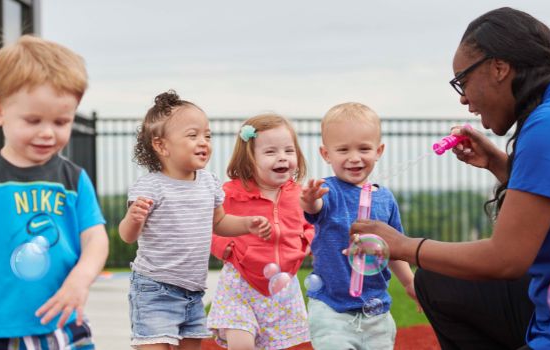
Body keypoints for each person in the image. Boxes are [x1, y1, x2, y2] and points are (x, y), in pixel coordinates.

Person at [350, 7, 550, 349]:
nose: (464, 98)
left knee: (436, 273)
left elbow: (506, 258)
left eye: (462, 81)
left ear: (498, 68)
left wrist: (403, 246)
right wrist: (501, 165)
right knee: (438, 280)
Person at [0, 35, 109, 349]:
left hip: (62, 321)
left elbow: (96, 239)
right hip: (0, 327)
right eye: (33, 120)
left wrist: (81, 278)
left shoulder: (73, 178)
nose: (47, 132)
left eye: (61, 121)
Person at [119, 90, 272, 350]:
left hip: (192, 292)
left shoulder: (208, 183)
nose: (203, 142)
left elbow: (220, 222)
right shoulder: (151, 186)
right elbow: (128, 236)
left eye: (207, 135)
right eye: (193, 135)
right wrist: (133, 218)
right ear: (161, 145)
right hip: (154, 289)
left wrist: (246, 224)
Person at [300, 102, 417, 350]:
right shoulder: (328, 191)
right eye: (343, 150)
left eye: (364, 148)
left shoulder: (385, 199)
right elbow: (316, 209)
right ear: (326, 154)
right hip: (330, 309)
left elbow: (395, 249)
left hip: (376, 311)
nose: (354, 158)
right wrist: (310, 201)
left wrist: (409, 282)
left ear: (379, 150)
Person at [207, 114, 314, 349]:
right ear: (249, 159)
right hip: (240, 283)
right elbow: (210, 224)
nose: (282, 157)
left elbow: (310, 226)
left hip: (283, 287)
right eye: (271, 152)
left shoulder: (300, 195)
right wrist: (224, 248)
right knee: (242, 343)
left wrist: (306, 244)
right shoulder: (231, 193)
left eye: (289, 150)